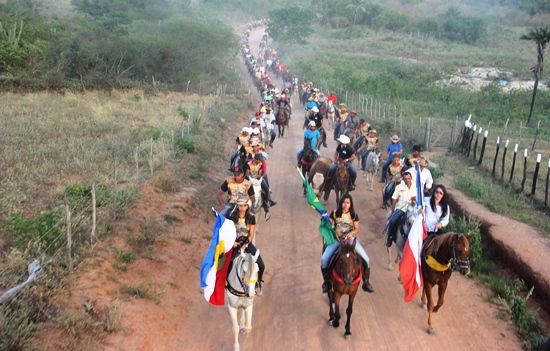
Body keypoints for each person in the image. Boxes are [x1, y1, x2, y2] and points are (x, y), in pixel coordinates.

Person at [320, 194, 374, 293]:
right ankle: (327, 282)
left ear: (351, 204)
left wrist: (351, 234)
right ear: (341, 203)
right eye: (344, 202)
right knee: (324, 259)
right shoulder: (335, 213)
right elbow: (329, 222)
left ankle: (366, 282)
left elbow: (357, 228)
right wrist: (325, 220)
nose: (345, 205)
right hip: (337, 240)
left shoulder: (354, 215)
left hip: (350, 241)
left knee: (366, 258)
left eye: (348, 203)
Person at [231, 196, 265, 295]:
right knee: (225, 263)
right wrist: (233, 242)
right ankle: (224, 284)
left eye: (244, 205)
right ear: (237, 206)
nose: (242, 208)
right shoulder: (231, 216)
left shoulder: (251, 217)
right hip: (234, 243)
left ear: (247, 206)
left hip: (246, 243)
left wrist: (243, 246)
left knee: (261, 265)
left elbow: (251, 235)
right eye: (240, 205)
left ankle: (258, 284)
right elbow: (228, 231)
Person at [386, 172, 416, 247]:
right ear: (403, 179)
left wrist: (415, 198)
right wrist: (393, 210)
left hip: (413, 210)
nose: (407, 180)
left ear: (411, 178)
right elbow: (394, 198)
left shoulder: (416, 187)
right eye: (405, 179)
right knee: (392, 221)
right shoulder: (399, 187)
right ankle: (389, 238)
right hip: (401, 209)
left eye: (408, 178)